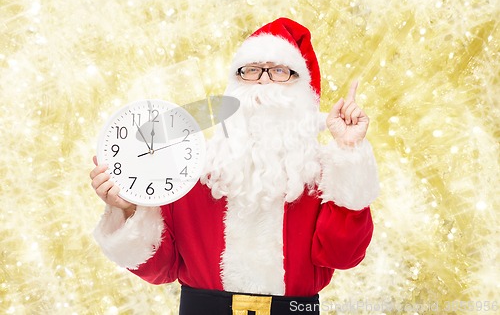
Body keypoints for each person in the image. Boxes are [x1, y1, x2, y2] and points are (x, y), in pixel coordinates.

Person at [90, 17, 380, 315]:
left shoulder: (322, 175)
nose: (264, 80)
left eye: (280, 71)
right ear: (234, 85)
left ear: (304, 90)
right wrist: (127, 210)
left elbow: (342, 256)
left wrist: (348, 151)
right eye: (251, 71)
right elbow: (160, 269)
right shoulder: (191, 170)